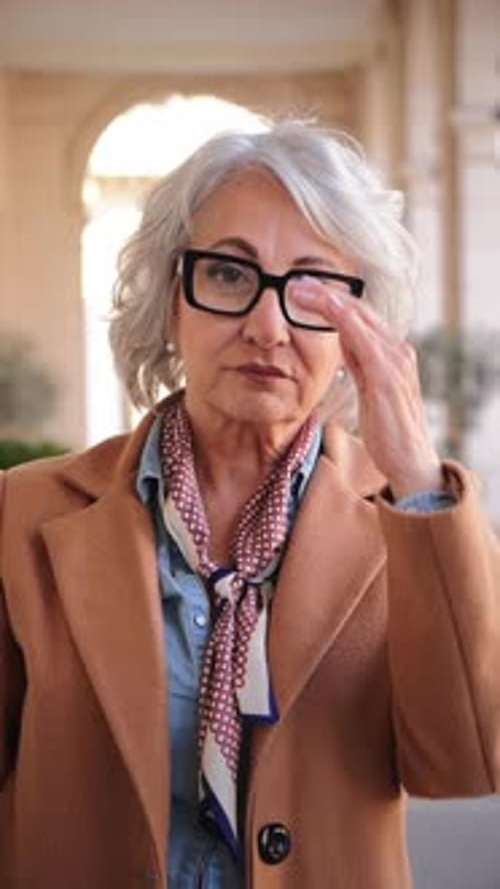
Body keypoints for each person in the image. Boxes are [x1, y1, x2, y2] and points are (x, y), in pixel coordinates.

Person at [1, 119, 499, 889]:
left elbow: (467, 761)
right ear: (174, 300)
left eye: (312, 288)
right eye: (229, 275)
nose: (267, 327)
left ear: (354, 328)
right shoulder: (24, 513)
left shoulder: (406, 523)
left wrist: (414, 473)